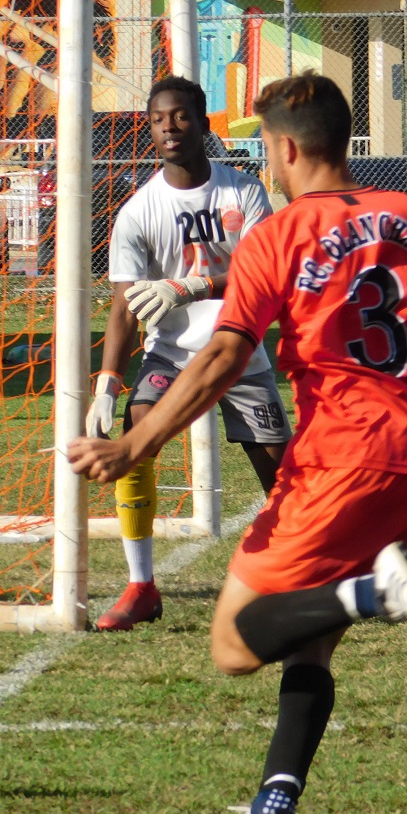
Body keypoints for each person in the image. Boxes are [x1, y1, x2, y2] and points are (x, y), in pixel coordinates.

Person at [68, 72, 407, 814]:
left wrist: (136, 442)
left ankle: (376, 589)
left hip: (343, 456)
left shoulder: (278, 233)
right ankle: (275, 800)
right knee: (313, 634)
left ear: (283, 147)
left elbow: (221, 358)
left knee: (235, 645)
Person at [85, 76, 291, 632]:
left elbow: (263, 271)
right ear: (149, 130)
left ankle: (299, 580)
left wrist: (192, 286)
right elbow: (125, 306)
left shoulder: (244, 191)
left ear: (203, 124)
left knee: (282, 479)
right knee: (135, 437)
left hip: (240, 352)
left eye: (180, 116)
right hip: (172, 357)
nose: (169, 127)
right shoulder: (137, 212)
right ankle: (141, 587)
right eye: (158, 119)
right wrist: (108, 377)